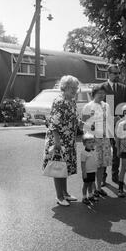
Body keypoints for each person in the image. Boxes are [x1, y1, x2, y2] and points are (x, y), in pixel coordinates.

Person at [42, 75, 79, 206]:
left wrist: (84, 124)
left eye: (76, 88)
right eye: (71, 88)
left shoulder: (72, 101)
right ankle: (59, 196)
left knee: (65, 167)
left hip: (69, 139)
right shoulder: (59, 101)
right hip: (59, 140)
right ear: (64, 88)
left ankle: (65, 193)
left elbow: (74, 119)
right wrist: (57, 142)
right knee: (58, 167)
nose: (74, 90)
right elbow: (54, 124)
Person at [82, 84, 113, 198]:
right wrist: (87, 139)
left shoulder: (107, 106)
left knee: (102, 165)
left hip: (104, 138)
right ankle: (92, 188)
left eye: (103, 93)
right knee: (93, 164)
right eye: (99, 93)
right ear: (93, 94)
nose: (102, 95)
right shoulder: (88, 106)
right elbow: (84, 124)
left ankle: (98, 188)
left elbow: (109, 121)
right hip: (93, 139)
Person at [101, 65, 126, 185]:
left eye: (118, 73)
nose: (118, 75)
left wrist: (124, 119)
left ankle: (115, 175)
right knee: (104, 150)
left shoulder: (123, 88)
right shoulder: (101, 87)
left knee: (117, 150)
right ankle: (102, 176)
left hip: (119, 124)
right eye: (115, 73)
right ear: (109, 74)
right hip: (105, 124)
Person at [80, 133, 99, 205]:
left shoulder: (94, 150)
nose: (91, 144)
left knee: (91, 184)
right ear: (84, 144)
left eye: (92, 142)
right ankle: (84, 197)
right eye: (89, 142)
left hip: (92, 171)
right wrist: (83, 173)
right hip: (87, 172)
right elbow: (83, 164)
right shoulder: (83, 153)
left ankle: (90, 195)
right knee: (86, 185)